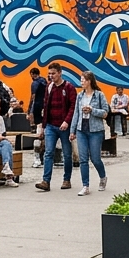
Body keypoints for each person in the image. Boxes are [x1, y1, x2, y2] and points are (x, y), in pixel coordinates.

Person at [35, 63, 76, 192]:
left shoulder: (69, 87)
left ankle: (67, 179)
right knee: (48, 153)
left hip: (64, 126)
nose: (51, 76)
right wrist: (43, 126)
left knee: (67, 154)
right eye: (49, 74)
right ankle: (46, 181)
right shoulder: (49, 87)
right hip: (51, 126)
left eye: (53, 73)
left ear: (59, 73)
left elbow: (73, 107)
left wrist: (67, 122)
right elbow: (46, 106)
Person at [71, 71, 108, 195]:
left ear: (90, 81)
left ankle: (103, 177)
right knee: (83, 159)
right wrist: (73, 130)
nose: (81, 82)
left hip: (95, 130)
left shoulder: (99, 95)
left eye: (83, 80)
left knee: (95, 158)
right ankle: (85, 185)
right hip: (82, 129)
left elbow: (105, 113)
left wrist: (92, 110)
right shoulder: (79, 96)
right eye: (81, 80)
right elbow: (76, 113)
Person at [28, 67, 47, 168]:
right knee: (45, 135)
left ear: (32, 74)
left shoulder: (35, 83)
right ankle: (45, 158)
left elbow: (33, 97)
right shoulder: (45, 82)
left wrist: (29, 111)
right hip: (47, 110)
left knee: (38, 134)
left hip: (37, 110)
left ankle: (37, 159)